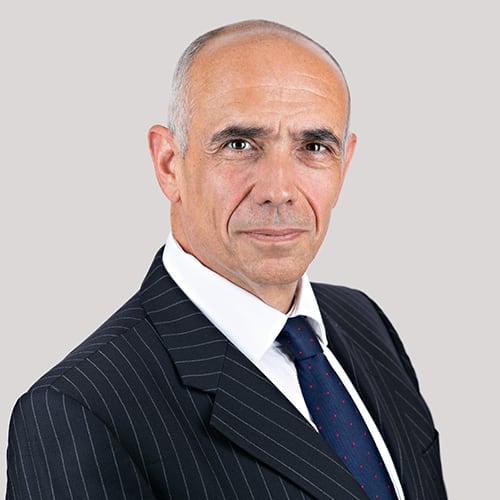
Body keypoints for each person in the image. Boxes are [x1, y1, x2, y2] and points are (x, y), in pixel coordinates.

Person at [6, 19, 447, 500]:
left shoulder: (365, 322)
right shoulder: (78, 411)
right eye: (239, 145)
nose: (279, 189)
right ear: (169, 164)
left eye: (314, 147)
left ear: (345, 165)